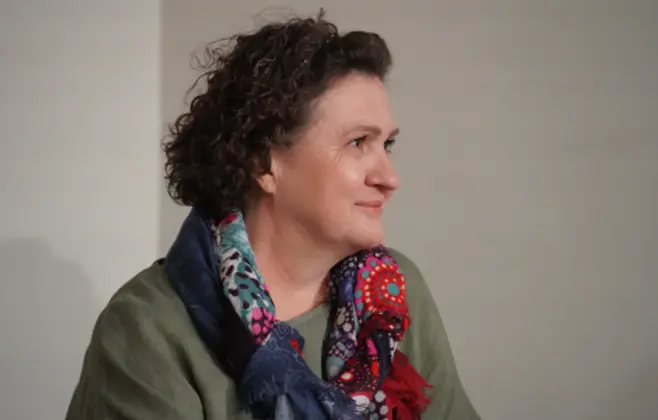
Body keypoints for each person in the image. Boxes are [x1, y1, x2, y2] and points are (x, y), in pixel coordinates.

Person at [65, 11, 480, 420]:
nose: (389, 178)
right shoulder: (150, 329)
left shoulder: (393, 294)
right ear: (264, 163)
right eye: (357, 142)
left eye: (386, 145)